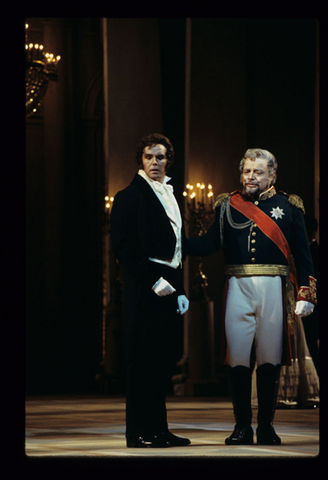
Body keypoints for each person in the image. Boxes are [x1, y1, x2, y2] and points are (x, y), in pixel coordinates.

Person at [186, 148, 317, 445]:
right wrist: (176, 243)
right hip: (237, 287)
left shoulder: (290, 206)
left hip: (274, 287)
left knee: (270, 359)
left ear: (272, 175)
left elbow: (302, 255)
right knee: (238, 358)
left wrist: (307, 293)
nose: (250, 177)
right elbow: (208, 245)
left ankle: (267, 426)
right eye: (246, 171)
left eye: (257, 172)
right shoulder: (227, 205)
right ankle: (242, 426)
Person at [110, 133, 190, 448]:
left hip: (169, 284)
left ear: (169, 160)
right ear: (141, 160)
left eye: (160, 157)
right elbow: (123, 248)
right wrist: (153, 280)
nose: (155, 162)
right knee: (141, 361)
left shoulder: (171, 194)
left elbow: (178, 247)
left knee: (161, 361)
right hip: (145, 285)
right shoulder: (128, 196)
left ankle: (159, 429)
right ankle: (139, 432)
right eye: (149, 157)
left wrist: (180, 289)